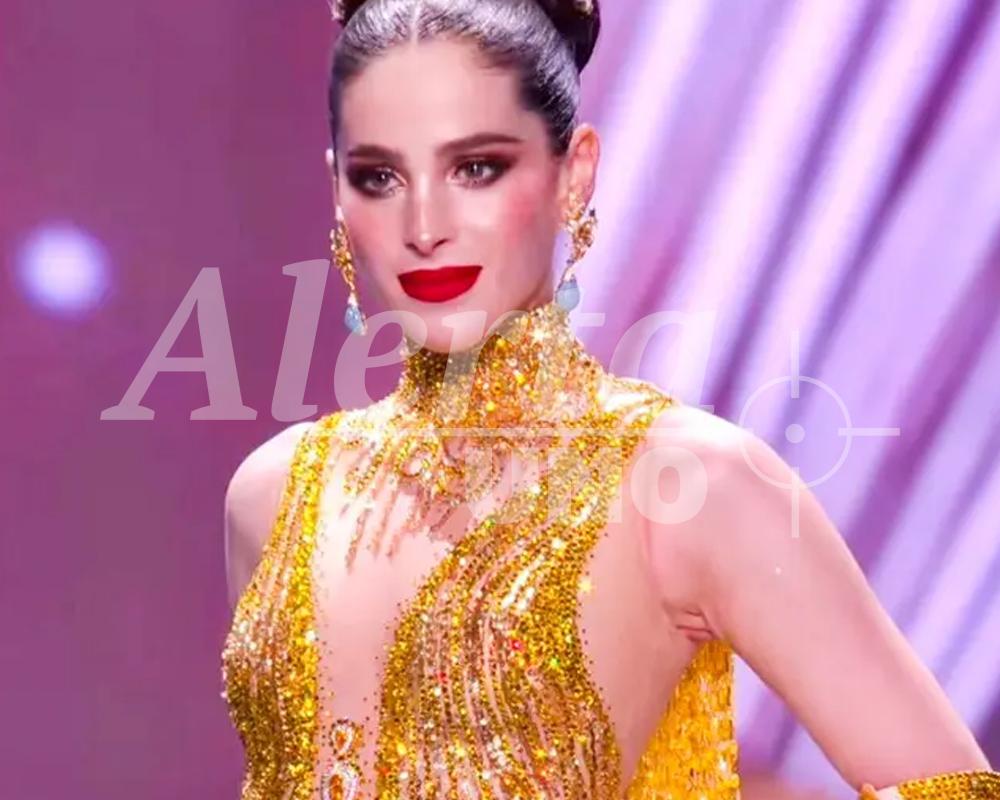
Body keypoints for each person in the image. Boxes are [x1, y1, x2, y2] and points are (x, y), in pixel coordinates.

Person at [219, 1, 1000, 798]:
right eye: (380, 177)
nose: (425, 224)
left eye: (477, 168)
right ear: (338, 191)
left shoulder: (688, 483)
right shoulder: (275, 494)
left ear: (574, 174)